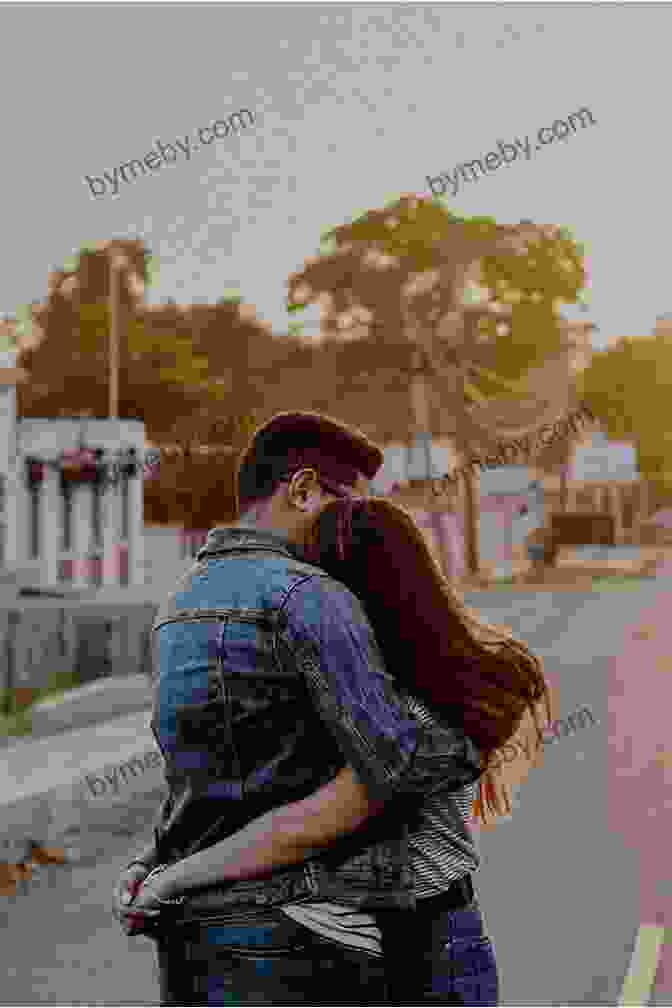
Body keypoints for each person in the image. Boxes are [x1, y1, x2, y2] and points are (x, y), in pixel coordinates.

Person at [113, 411, 485, 1005]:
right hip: (295, 936)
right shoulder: (310, 596)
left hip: (193, 936)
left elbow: (204, 782)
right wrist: (468, 731)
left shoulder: (178, 602)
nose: (356, 528)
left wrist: (157, 865)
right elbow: (390, 768)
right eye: (351, 508)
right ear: (304, 490)